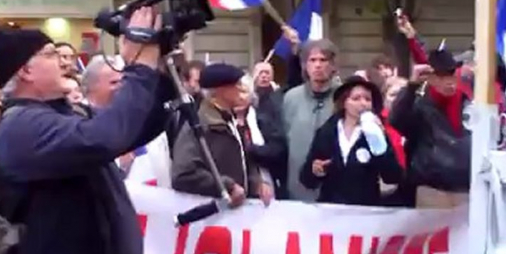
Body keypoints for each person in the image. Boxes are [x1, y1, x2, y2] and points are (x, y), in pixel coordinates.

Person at [0, 7, 172, 254]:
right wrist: (139, 66)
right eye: (49, 54)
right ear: (25, 71)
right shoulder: (22, 127)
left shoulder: (59, 115)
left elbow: (133, 126)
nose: (63, 59)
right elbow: (105, 138)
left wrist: (159, 64)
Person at [172, 63, 273, 207]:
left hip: (236, 216)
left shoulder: (229, 121)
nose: (241, 88)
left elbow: (244, 160)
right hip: (211, 217)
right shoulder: (199, 126)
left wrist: (257, 183)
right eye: (236, 84)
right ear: (220, 91)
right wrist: (227, 186)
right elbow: (183, 174)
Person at [299, 76, 403, 206]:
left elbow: (392, 177)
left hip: (365, 209)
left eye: (367, 99)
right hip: (331, 208)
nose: (363, 103)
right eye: (356, 98)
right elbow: (306, 179)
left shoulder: (376, 132)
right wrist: (315, 170)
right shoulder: (327, 132)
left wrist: (380, 143)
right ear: (344, 102)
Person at [390, 49, 472, 208]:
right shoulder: (419, 105)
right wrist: (411, 87)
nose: (449, 81)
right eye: (442, 76)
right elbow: (397, 119)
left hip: (466, 189)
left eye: (452, 75)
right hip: (432, 189)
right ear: (431, 78)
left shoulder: (466, 103)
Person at [281, 38, 340, 202]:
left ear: (333, 65)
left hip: (335, 191)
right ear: (304, 65)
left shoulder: (344, 98)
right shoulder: (291, 98)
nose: (318, 65)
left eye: (323, 60)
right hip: (297, 190)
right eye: (312, 60)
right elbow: (284, 141)